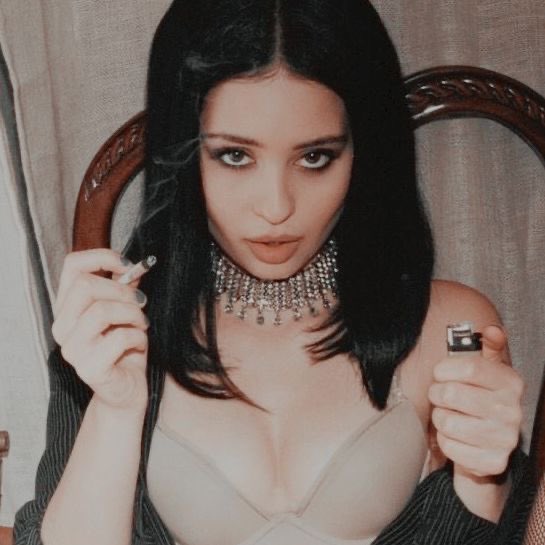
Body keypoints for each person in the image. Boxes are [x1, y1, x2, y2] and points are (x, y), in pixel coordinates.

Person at [14, 0, 534, 544]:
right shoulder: (115, 333)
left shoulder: (450, 327)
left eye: (315, 158)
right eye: (235, 156)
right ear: (182, 150)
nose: (276, 206)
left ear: (365, 151)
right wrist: (117, 408)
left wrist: (485, 481)